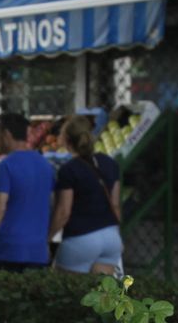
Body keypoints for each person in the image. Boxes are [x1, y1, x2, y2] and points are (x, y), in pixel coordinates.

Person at [0, 111, 55, 273]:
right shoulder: (46, 165)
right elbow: (53, 203)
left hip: (7, 250)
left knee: (2, 296)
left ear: (6, 134)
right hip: (37, 251)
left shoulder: (5, 166)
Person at [49, 114, 123, 276]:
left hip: (81, 239)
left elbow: (63, 213)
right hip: (111, 238)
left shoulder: (68, 170)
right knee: (100, 296)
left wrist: (48, 237)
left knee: (62, 292)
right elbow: (116, 205)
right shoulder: (110, 164)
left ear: (67, 140)